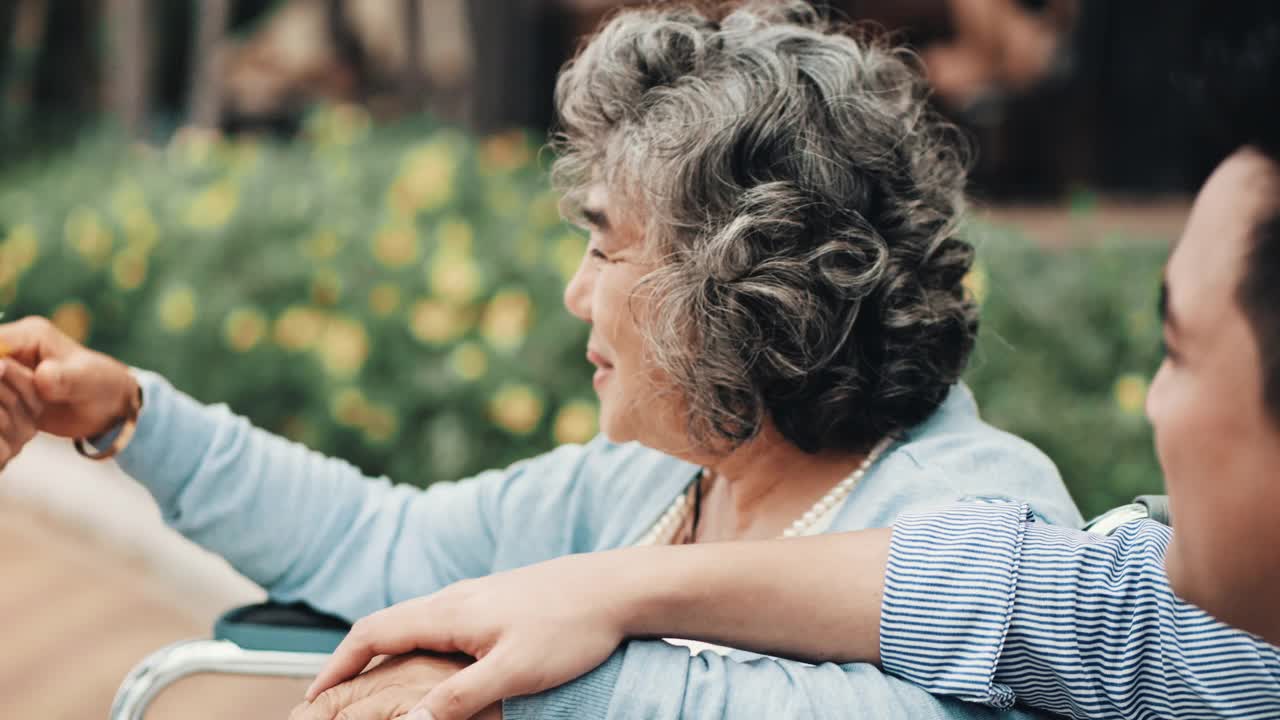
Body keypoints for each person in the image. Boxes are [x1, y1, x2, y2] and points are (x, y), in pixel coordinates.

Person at [0, 3, 1080, 719]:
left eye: (606, 246)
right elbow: (378, 540)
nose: (575, 291)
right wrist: (130, 412)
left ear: (746, 284)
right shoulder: (661, 482)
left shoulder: (966, 512)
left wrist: (501, 679)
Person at [301, 3, 1280, 720]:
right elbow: (1013, 587)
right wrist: (602, 592)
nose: (1152, 407)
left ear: (731, 288)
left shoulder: (954, 487)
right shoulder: (1174, 630)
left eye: (1176, 353)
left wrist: (528, 682)